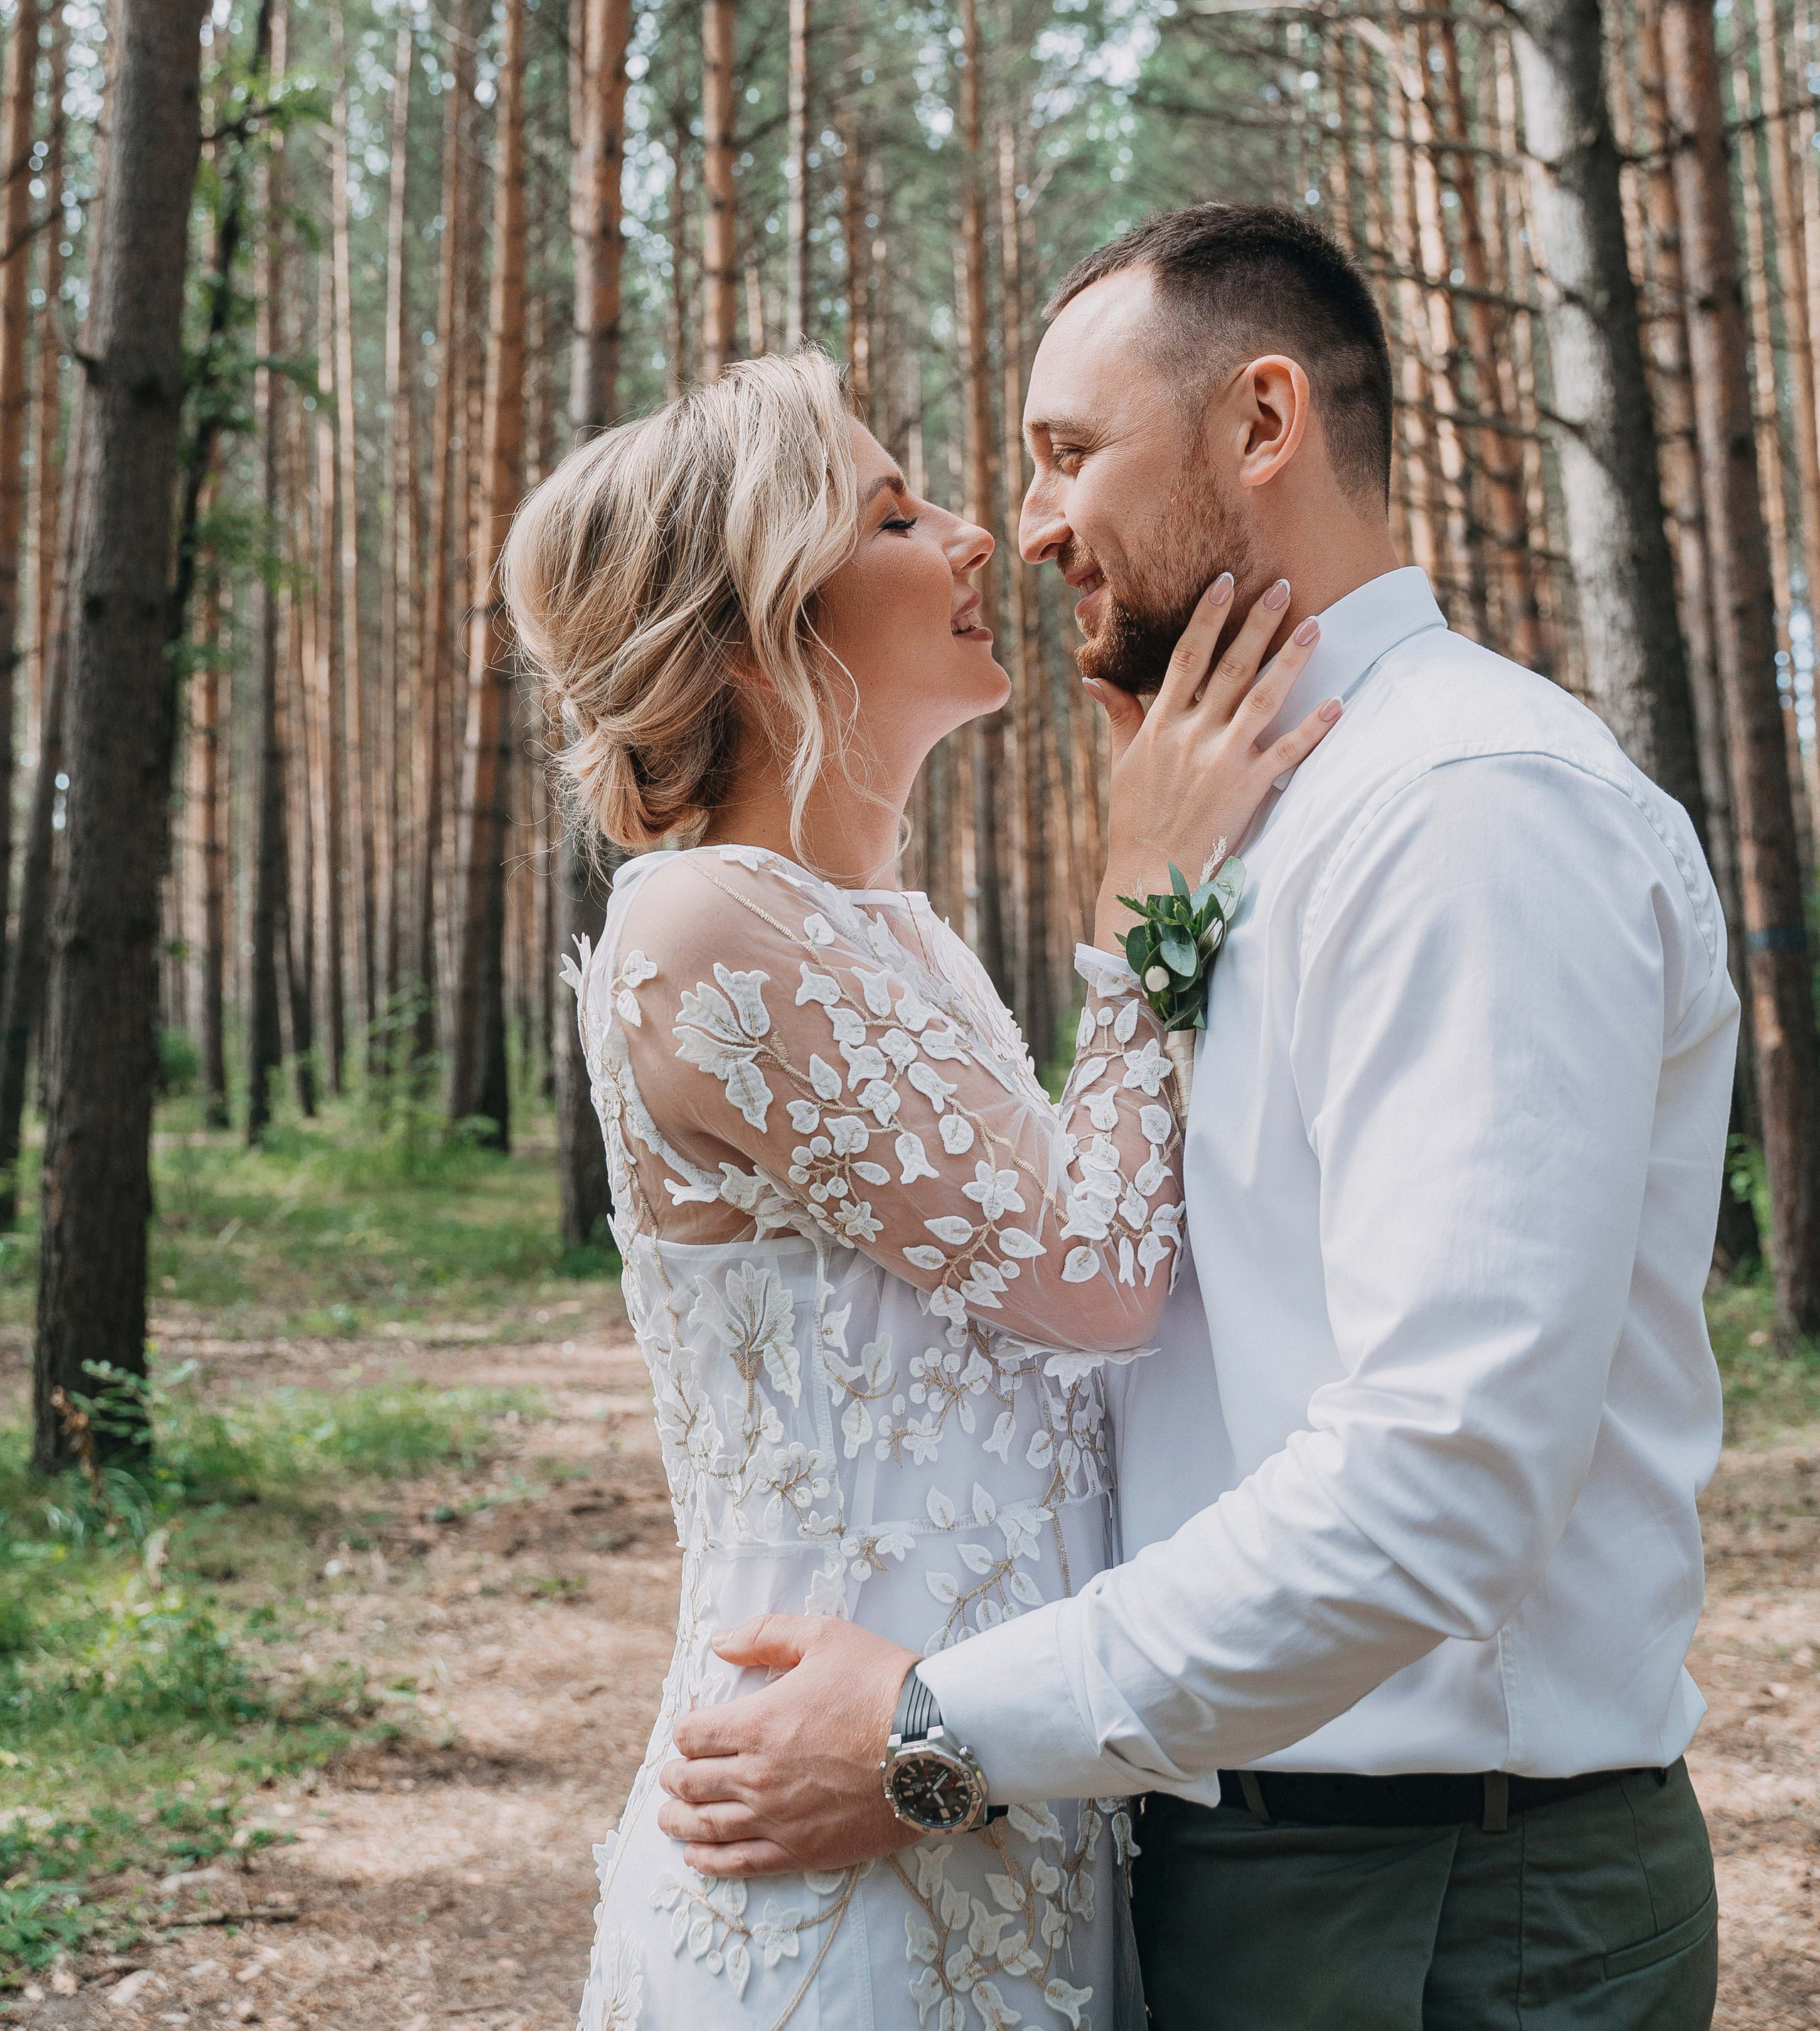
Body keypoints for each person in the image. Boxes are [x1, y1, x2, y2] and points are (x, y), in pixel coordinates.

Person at [655, 205, 1735, 2031]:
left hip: (1439, 1900)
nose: (1035, 522)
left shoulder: (1465, 813)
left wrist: (936, 1730)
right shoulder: (1267, 817)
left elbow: (1438, 1479)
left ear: (1259, 423)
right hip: (1225, 1848)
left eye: (1069, 452)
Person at [499, 342, 1339, 2031]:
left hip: (980, 1783)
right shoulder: (699, 924)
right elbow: (1091, 1280)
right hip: (831, 1848)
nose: (973, 541)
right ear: (755, 618)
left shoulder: (888, 929)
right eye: (896, 511)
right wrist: (1143, 894)